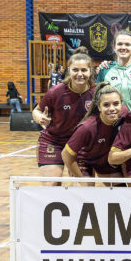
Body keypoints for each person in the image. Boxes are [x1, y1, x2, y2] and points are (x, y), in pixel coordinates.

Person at [32, 47, 95, 185]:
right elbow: (36, 110)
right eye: (75, 70)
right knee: (51, 185)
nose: (80, 74)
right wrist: (39, 117)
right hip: (54, 141)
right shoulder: (56, 92)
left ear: (90, 71)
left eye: (84, 70)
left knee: (84, 187)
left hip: (81, 144)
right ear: (69, 71)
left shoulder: (95, 93)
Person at [62, 82, 124, 179]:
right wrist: (80, 178)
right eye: (106, 105)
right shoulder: (87, 127)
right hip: (84, 161)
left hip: (105, 160)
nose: (112, 108)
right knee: (87, 191)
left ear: (121, 104)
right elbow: (66, 154)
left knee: (119, 191)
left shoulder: (124, 116)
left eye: (116, 104)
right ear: (99, 107)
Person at [96, 30, 131, 110]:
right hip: (113, 117)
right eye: (119, 44)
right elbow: (97, 96)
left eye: (127, 44)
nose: (123, 47)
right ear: (114, 47)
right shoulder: (105, 69)